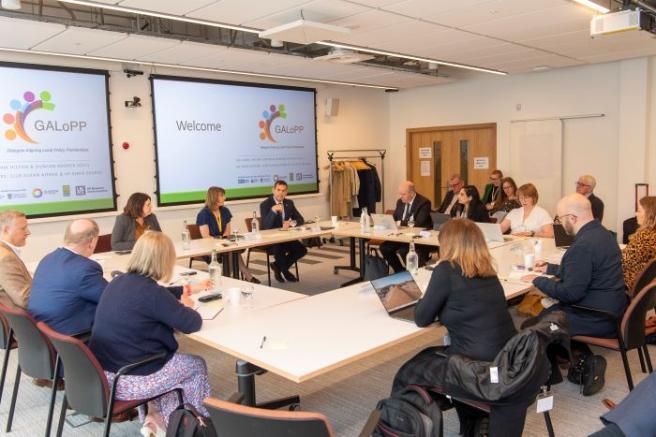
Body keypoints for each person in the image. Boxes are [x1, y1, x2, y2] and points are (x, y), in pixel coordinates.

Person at [392, 219, 518, 434]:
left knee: (407, 372)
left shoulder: (446, 270)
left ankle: (400, 426)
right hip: (505, 357)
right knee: (433, 356)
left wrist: (421, 298)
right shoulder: (488, 269)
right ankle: (475, 421)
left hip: (473, 366)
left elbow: (422, 318)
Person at [89, 231, 210, 436]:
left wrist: (183, 290)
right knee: (195, 365)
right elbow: (191, 323)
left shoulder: (119, 281)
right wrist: (188, 305)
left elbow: (156, 296)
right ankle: (193, 426)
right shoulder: (152, 293)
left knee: (171, 366)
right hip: (131, 380)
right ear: (164, 260)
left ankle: (158, 419)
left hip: (104, 374)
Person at [522, 194, 627, 393]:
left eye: (559, 219)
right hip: (611, 308)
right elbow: (584, 271)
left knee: (533, 327)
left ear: (572, 218)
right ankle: (582, 362)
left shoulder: (582, 246)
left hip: (595, 316)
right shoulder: (604, 234)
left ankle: (549, 379)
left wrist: (537, 280)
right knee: (547, 317)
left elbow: (570, 293)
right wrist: (550, 269)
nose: (559, 224)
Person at [28, 219, 107, 335]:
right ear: (92, 242)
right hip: (69, 335)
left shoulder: (48, 258)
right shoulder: (85, 268)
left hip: (43, 331)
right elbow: (110, 299)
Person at [196, 186, 260, 284]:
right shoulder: (203, 214)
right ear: (214, 197)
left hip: (223, 244)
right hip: (209, 247)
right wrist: (222, 242)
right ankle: (242, 277)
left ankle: (228, 278)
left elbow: (227, 232)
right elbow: (206, 237)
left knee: (233, 250)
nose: (224, 198)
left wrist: (224, 242)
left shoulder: (225, 211)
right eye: (221, 195)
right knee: (232, 251)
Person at [259, 180, 307, 283]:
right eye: (278, 190)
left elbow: (300, 219)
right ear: (273, 190)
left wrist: (291, 223)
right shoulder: (265, 204)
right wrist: (273, 211)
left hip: (286, 237)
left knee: (302, 249)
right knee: (279, 248)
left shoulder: (289, 203)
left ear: (286, 192)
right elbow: (266, 226)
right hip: (270, 240)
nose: (280, 193)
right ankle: (285, 271)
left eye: (283, 191)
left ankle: (277, 266)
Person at [380, 181, 432, 273]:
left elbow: (418, 223)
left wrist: (399, 223)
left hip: (418, 237)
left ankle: (418, 273)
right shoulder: (400, 202)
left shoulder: (424, 203)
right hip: (401, 235)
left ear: (411, 193)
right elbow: (394, 218)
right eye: (400, 194)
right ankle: (399, 271)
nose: (401, 197)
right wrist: (386, 222)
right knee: (385, 248)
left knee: (404, 250)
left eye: (403, 194)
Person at [621, 196, 656, 291]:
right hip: (644, 287)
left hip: (629, 285)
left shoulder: (643, 237)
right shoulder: (652, 235)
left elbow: (624, 263)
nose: (636, 213)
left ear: (649, 214)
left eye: (639, 210)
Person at [0, 210, 31, 309]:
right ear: (6, 230)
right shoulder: (6, 258)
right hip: (26, 320)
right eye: (23, 228)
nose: (28, 232)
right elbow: (24, 300)